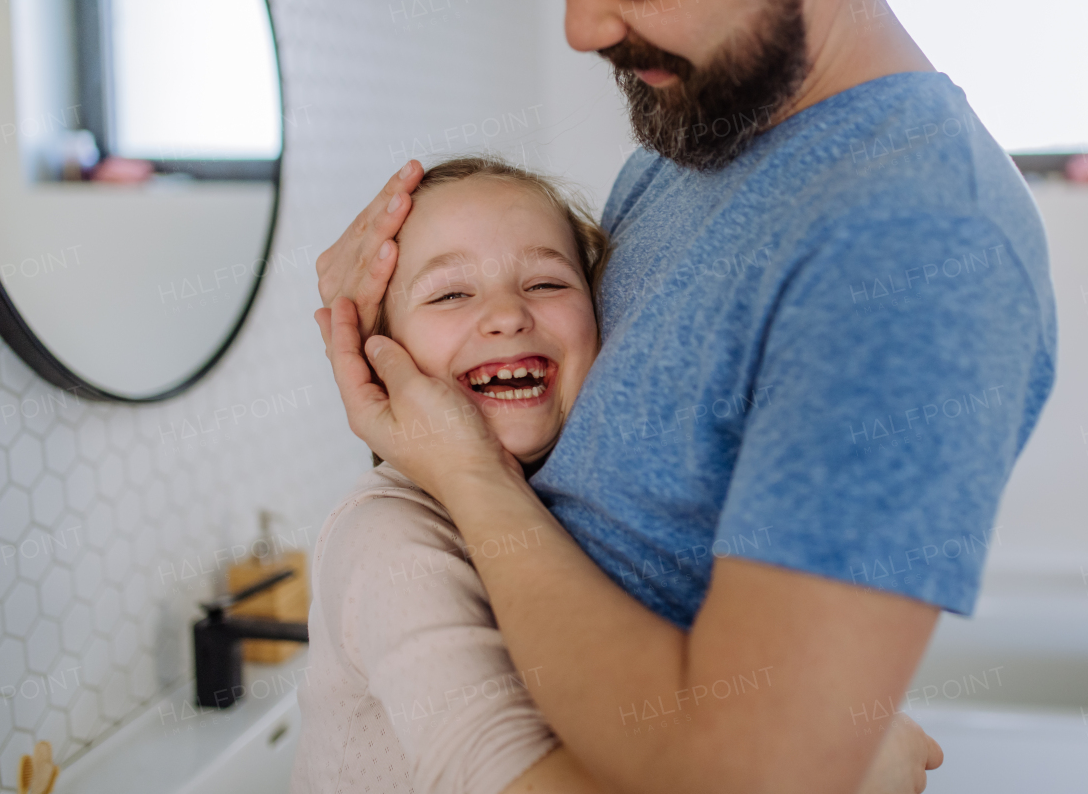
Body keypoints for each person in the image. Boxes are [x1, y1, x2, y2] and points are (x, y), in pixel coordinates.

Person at [315, 0, 1056, 792]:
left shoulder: (919, 247)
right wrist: (380, 342)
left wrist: (470, 478)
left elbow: (751, 773)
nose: (579, 26)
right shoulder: (688, 145)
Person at [294, 156, 939, 793]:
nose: (508, 314)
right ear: (380, 361)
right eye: (450, 293)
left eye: (547, 283)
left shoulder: (587, 504)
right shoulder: (385, 540)